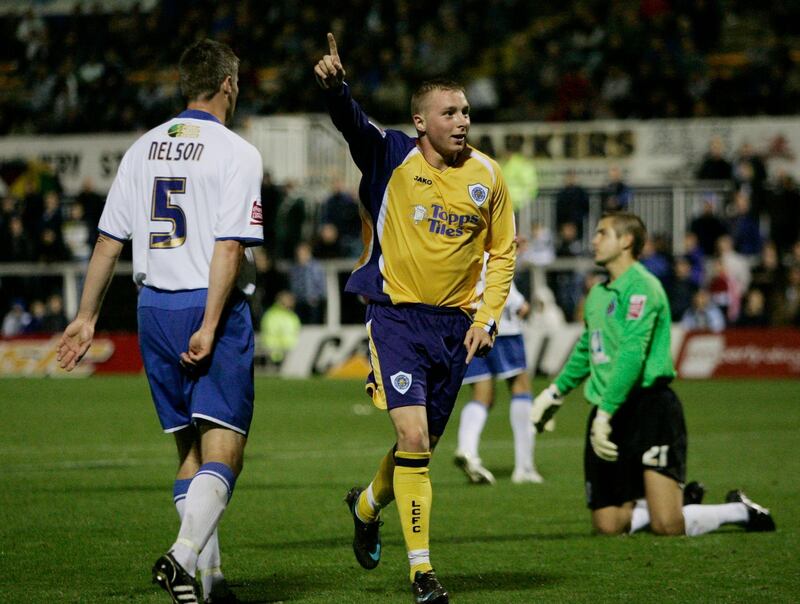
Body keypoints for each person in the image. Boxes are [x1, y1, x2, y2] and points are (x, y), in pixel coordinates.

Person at [56, 39, 263, 604]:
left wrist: (85, 317)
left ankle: (208, 580)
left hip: (153, 309)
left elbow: (107, 240)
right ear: (227, 85)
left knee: (187, 453)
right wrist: (212, 323)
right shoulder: (237, 152)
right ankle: (181, 558)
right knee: (224, 450)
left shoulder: (142, 148)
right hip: (207, 305)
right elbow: (227, 247)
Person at [315, 33, 515, 604]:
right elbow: (352, 122)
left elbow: (503, 253)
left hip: (456, 329)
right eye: (449, 112)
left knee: (418, 445)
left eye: (466, 111)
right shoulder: (391, 154)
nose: (462, 120)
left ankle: (365, 505)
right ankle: (422, 573)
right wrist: (336, 89)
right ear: (420, 121)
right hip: (397, 318)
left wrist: (488, 315)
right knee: (412, 435)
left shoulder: (489, 178)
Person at [530, 212, 775, 538]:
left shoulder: (644, 288)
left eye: (603, 233)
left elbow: (631, 355)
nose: (594, 240)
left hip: (650, 409)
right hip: (609, 411)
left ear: (627, 241)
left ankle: (739, 510)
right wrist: (555, 392)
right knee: (609, 526)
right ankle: (665, 501)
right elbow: (588, 348)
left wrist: (604, 412)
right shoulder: (598, 296)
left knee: (668, 525)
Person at [454, 275, 544, 485]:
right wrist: (518, 302)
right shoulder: (495, 241)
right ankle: (525, 466)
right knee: (521, 387)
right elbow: (495, 272)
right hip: (502, 324)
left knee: (481, 395)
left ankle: (467, 449)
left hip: (471, 323)